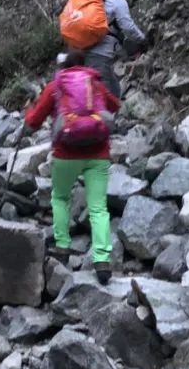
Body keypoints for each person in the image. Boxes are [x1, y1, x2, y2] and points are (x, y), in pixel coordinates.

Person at [23, 48, 120, 284]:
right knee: (98, 206)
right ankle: (102, 260)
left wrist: (28, 110)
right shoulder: (94, 81)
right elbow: (114, 105)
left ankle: (63, 248)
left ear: (63, 66)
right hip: (98, 152)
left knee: (60, 198)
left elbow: (34, 121)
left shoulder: (56, 85)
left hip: (66, 154)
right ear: (83, 63)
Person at [84, 0, 148, 99]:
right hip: (101, 57)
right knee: (104, 101)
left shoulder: (94, 2)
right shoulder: (117, 1)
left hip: (84, 54)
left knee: (113, 94)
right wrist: (143, 40)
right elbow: (128, 27)